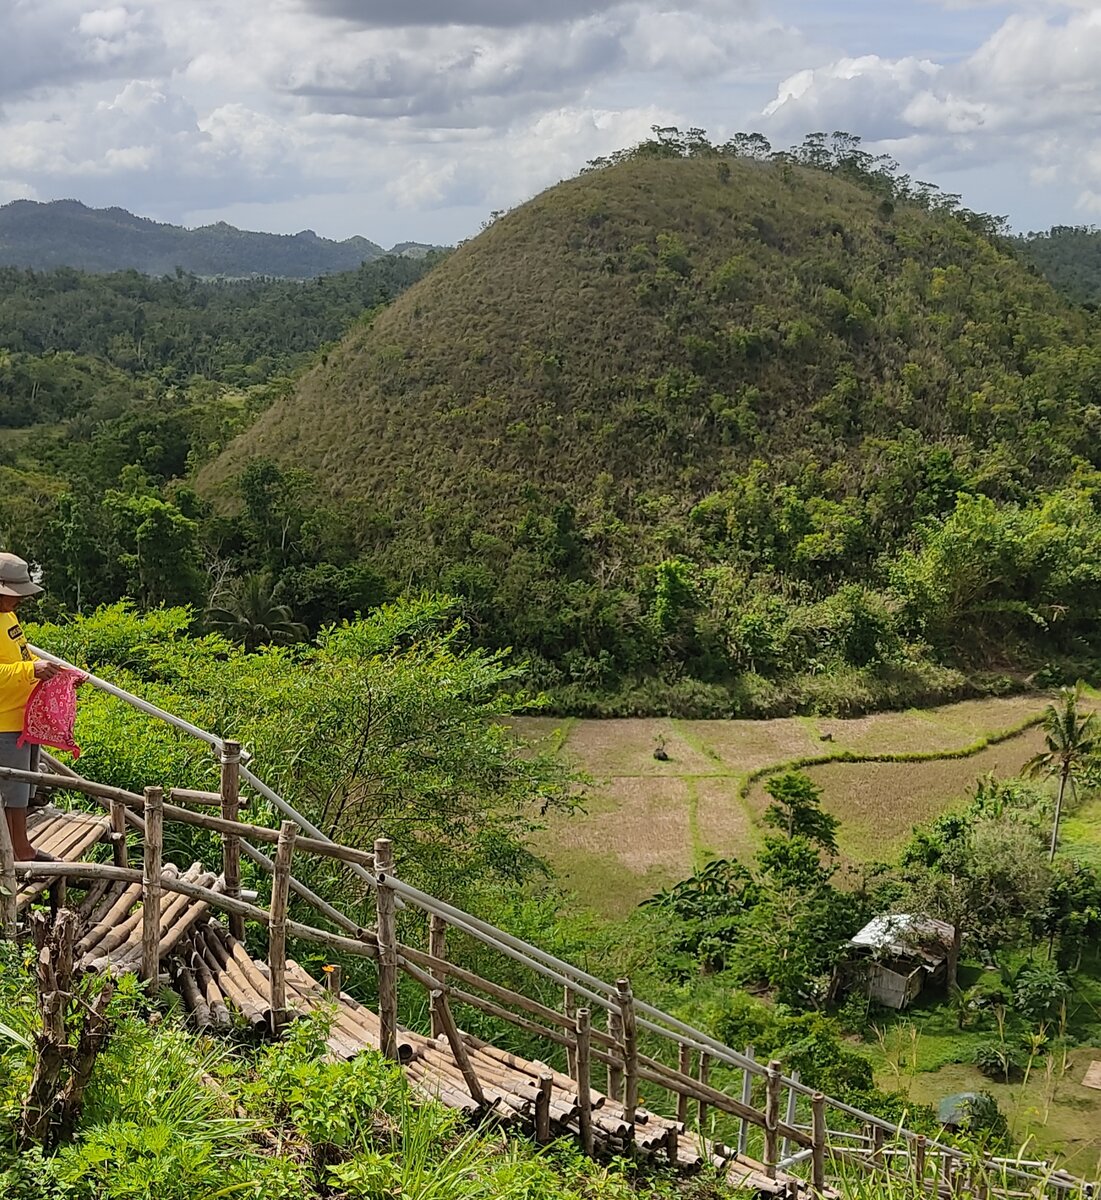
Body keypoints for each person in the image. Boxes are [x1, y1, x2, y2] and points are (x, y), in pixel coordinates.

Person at [0, 552, 60, 861]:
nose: (18, 601)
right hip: (2, 721)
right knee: (14, 791)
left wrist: (41, 670)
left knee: (23, 786)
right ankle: (20, 851)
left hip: (21, 714)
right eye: (13, 594)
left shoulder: (8, 616)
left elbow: (19, 657)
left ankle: (16, 847)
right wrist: (30, 670)